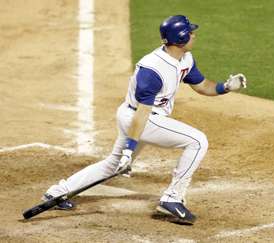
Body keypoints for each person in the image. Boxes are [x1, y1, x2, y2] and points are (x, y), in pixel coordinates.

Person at [42, 15, 247, 225]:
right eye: (191, 32)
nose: (194, 35)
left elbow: (202, 86)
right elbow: (142, 112)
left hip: (143, 116)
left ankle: (57, 193)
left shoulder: (185, 58)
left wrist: (225, 87)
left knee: (113, 165)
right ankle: (172, 199)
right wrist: (130, 148)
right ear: (181, 38)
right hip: (140, 117)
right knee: (197, 141)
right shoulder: (152, 70)